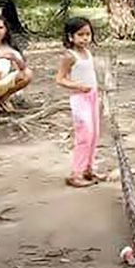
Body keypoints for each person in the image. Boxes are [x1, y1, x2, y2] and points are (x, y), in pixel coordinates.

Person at [55, 17, 106, 188]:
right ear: (71, 37)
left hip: (93, 96)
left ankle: (89, 168)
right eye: (80, 34)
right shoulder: (70, 56)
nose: (85, 38)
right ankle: (76, 173)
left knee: (95, 134)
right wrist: (77, 86)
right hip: (79, 99)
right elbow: (60, 79)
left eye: (88, 34)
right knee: (84, 134)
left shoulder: (88, 53)